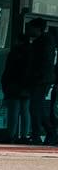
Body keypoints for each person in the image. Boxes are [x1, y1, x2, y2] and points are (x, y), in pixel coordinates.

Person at [26, 18, 56, 146]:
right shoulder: (45, 41)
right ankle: (46, 133)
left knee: (35, 107)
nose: (28, 30)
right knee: (37, 107)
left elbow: (43, 62)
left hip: (41, 80)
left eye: (30, 28)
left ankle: (41, 134)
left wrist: (36, 76)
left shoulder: (43, 42)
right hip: (42, 79)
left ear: (38, 28)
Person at [2, 27, 32, 144]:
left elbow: (9, 70)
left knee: (14, 111)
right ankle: (24, 135)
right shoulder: (31, 52)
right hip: (26, 85)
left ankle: (11, 135)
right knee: (25, 111)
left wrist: (5, 84)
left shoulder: (14, 53)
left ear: (18, 41)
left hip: (14, 84)